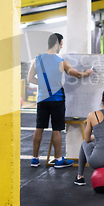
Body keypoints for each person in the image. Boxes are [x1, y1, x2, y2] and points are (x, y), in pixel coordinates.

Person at [28, 33, 93, 168]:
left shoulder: (37, 60)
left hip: (42, 99)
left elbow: (30, 79)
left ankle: (34, 158)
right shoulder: (61, 62)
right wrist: (86, 73)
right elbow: (74, 73)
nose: (61, 48)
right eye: (61, 45)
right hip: (57, 99)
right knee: (56, 129)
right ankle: (58, 160)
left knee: (39, 128)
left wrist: (43, 85)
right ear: (57, 44)